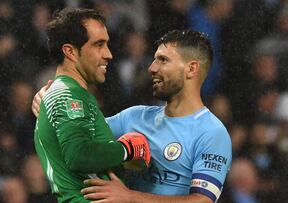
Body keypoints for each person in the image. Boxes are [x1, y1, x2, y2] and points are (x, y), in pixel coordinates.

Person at [33, 29, 232, 203]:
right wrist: (52, 104)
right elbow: (80, 137)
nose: (152, 68)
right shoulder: (134, 117)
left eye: (163, 60)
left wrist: (130, 197)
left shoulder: (211, 133)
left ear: (191, 68)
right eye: (155, 59)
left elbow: (202, 200)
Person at [33, 7, 150, 203]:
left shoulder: (65, 94)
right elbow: (78, 155)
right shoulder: (68, 96)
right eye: (98, 45)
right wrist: (125, 150)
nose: (108, 54)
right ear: (70, 51)